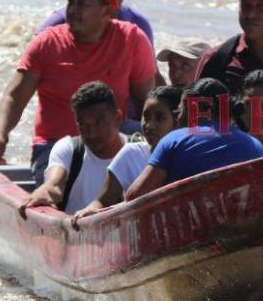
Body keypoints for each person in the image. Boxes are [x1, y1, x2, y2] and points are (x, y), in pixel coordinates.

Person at [0, 0, 156, 185]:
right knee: (59, 188)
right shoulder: (46, 44)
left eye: (82, 4)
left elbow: (147, 103)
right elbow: (15, 96)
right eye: (71, 2)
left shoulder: (133, 40)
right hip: (56, 147)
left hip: (113, 139)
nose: (72, 10)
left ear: (106, 10)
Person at [125, 78, 263, 201]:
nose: (178, 119)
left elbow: (133, 196)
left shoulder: (172, 141)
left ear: (189, 110)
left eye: (178, 112)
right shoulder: (255, 145)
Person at [74, 85, 183, 218]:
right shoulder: (131, 153)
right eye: (146, 116)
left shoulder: (190, 154)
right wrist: (90, 210)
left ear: (178, 121)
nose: (149, 125)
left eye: (159, 118)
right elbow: (103, 201)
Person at [18, 82, 126, 216]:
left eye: (99, 123)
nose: (91, 133)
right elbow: (54, 185)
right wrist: (44, 192)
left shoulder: (140, 151)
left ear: (118, 118)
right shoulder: (69, 149)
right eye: (83, 125)